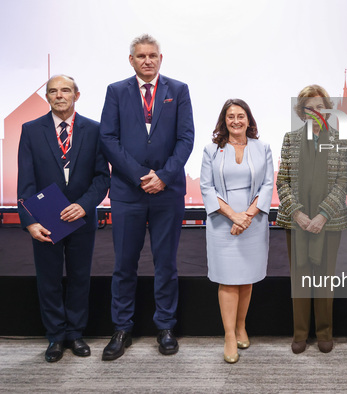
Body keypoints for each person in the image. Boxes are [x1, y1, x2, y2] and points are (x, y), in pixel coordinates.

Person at [99, 34, 195, 360]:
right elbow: (109, 139)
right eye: (141, 56)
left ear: (160, 58)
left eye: (152, 55)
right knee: (124, 265)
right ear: (131, 60)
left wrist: (164, 177)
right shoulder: (116, 92)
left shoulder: (178, 91)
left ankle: (165, 327)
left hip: (168, 193)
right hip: (128, 193)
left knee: (165, 264)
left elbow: (186, 139)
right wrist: (141, 177)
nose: (147, 61)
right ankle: (121, 328)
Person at [17, 75, 110, 362]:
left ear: (77, 95)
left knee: (80, 277)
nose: (60, 95)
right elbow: (26, 181)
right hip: (45, 219)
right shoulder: (31, 130)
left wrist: (84, 206)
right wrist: (30, 221)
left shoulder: (95, 130)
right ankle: (56, 336)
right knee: (49, 280)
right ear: (47, 97)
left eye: (65, 90)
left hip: (81, 217)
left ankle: (75, 334)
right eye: (53, 91)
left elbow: (101, 177)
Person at [276, 84, 347, 354]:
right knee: (300, 278)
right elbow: (282, 181)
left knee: (324, 279)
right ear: (302, 112)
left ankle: (324, 333)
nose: (315, 112)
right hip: (296, 222)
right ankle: (300, 334)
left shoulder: (340, 140)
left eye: (320, 107)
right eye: (309, 108)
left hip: (329, 222)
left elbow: (343, 182)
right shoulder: (291, 139)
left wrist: (321, 215)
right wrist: (297, 212)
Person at [200, 99, 274, 363]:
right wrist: (233, 216)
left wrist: (247, 216)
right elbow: (207, 188)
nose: (236, 121)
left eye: (240, 116)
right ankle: (229, 335)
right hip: (222, 221)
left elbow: (267, 185)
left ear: (249, 120)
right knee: (228, 279)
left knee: (246, 277)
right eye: (230, 116)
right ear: (224, 120)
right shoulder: (211, 150)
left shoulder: (262, 147)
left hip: (253, 221)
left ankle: (241, 325)